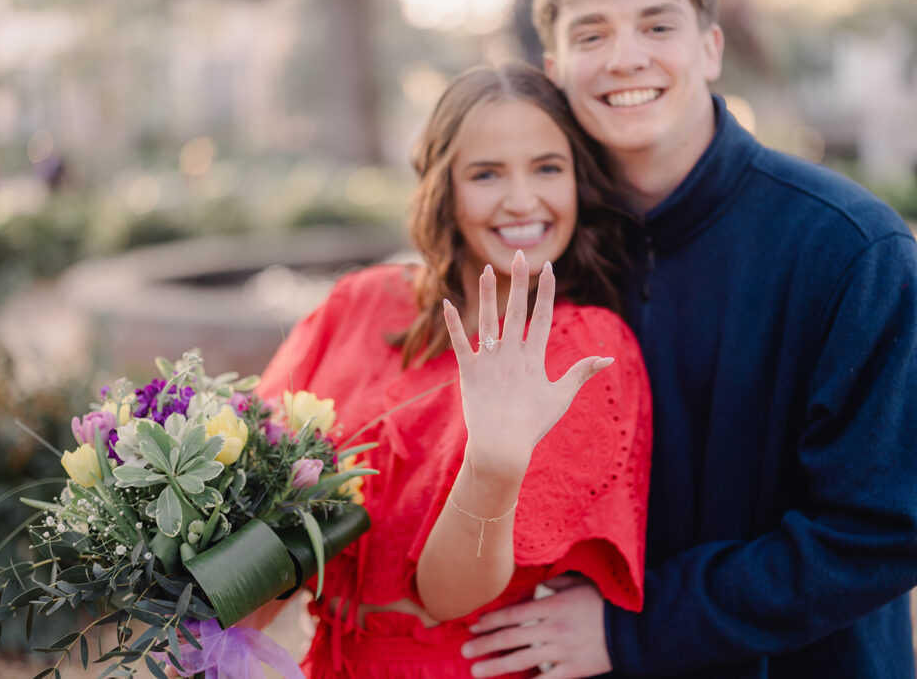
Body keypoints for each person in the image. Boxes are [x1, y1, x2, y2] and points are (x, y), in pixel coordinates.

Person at [461, 0, 917, 677]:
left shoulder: (852, 248)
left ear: (711, 48)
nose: (626, 55)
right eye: (592, 33)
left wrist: (638, 627)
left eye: (658, 25)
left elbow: (882, 531)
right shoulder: (545, 253)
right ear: (557, 68)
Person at [257, 62, 653, 677]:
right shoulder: (359, 303)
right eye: (486, 173)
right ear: (446, 188)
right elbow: (254, 500)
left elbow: (447, 595)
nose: (522, 200)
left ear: (580, 181)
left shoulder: (585, 349)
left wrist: (492, 467)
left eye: (548, 168)